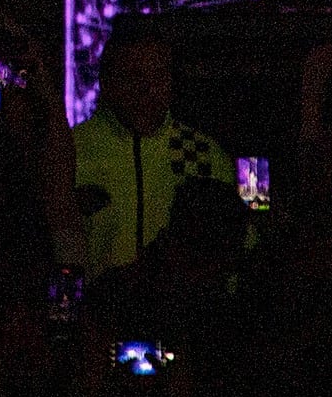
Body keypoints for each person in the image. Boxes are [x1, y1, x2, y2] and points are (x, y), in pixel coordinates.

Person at [72, 17, 230, 273]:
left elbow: (237, 244)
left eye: (158, 74)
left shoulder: (204, 154)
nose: (147, 88)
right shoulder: (71, 150)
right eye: (132, 75)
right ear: (107, 82)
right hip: (97, 310)